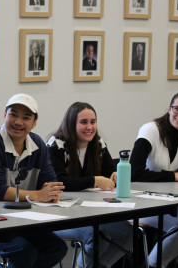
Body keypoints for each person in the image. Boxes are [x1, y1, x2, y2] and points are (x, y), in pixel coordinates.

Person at [0, 94, 68, 268]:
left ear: (34, 123)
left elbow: (50, 182)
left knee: (56, 248)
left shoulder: (37, 145)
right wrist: (37, 195)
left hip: (20, 222)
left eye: (26, 117)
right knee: (24, 251)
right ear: (4, 116)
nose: (18, 122)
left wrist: (50, 193)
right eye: (13, 115)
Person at [47, 102, 133, 268]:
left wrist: (115, 174)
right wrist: (93, 180)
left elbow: (109, 170)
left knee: (127, 233)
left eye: (93, 122)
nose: (89, 127)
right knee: (98, 235)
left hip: (90, 210)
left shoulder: (98, 142)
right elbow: (58, 181)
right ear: (71, 124)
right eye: (83, 122)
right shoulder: (56, 144)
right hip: (60, 214)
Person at [130, 91, 178, 268]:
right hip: (141, 200)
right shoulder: (150, 130)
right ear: (169, 108)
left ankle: (157, 263)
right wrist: (173, 176)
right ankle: (153, 265)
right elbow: (134, 172)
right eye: (177, 109)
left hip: (165, 200)